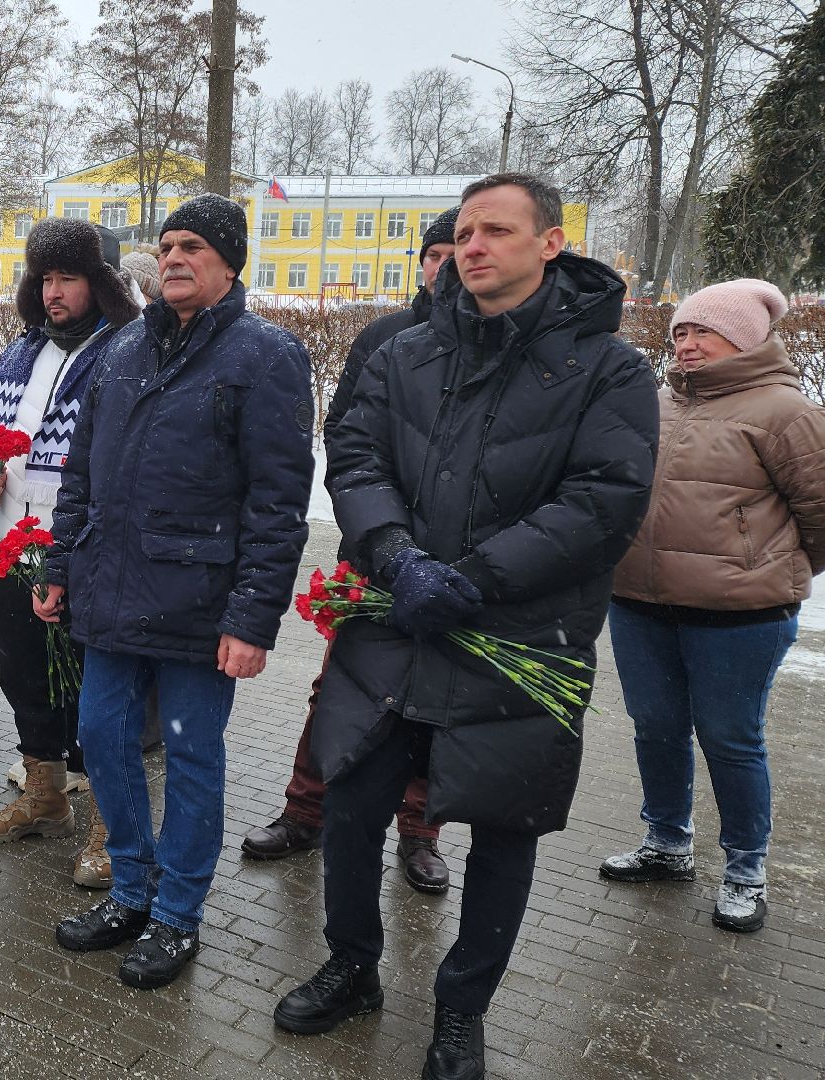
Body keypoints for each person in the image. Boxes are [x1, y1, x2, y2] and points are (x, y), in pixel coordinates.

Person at [272, 174, 658, 1080]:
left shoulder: (609, 369)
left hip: (520, 641)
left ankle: (461, 1008)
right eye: (465, 231)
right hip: (393, 623)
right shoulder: (409, 351)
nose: (473, 245)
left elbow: (605, 500)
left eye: (496, 230)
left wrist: (477, 578)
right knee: (355, 807)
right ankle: (353, 964)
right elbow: (357, 453)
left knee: (501, 829)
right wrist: (398, 557)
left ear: (551, 244)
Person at [40, 194, 313, 991]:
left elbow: (277, 499)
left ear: (230, 261)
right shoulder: (122, 349)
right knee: (103, 739)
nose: (173, 258)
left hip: (201, 602)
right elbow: (80, 475)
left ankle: (178, 914)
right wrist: (60, 565)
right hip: (112, 590)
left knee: (192, 757)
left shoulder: (266, 355)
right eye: (165, 247)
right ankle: (131, 888)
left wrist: (253, 618)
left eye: (192, 245)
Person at [241, 205, 463, 895]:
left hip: (457, 562)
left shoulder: (511, 345)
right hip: (375, 547)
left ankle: (420, 830)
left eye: (460, 250)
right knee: (339, 686)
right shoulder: (386, 337)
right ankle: (305, 809)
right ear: (421, 264)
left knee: (437, 697)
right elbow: (346, 439)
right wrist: (381, 528)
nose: (447, 264)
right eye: (436, 252)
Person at [601, 278, 824, 935]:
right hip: (639, 603)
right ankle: (666, 844)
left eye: (704, 331)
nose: (688, 344)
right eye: (680, 332)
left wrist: (764, 567)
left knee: (731, 740)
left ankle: (746, 871)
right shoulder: (658, 402)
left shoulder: (786, 411)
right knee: (656, 727)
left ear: (747, 337)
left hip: (739, 618)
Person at [0, 218, 140, 890]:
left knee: (95, 692)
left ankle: (110, 826)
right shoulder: (21, 351)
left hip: (88, 548)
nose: (52, 291)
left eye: (67, 277)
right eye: (44, 278)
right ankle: (45, 796)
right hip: (15, 540)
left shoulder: (125, 350)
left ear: (101, 284)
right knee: (24, 673)